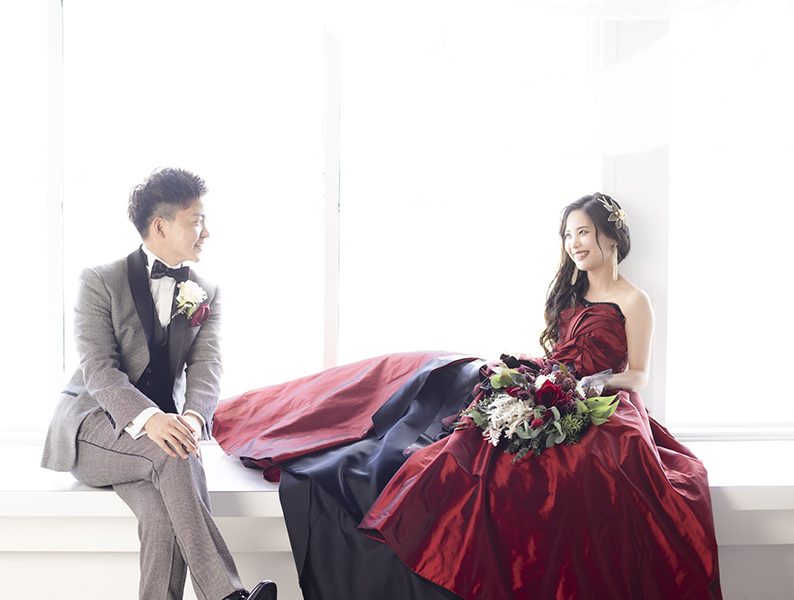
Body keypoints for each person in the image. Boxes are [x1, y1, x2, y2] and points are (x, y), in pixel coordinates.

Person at [214, 193, 722, 599]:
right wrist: (542, 384)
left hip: (598, 400)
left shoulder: (634, 299)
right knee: (433, 370)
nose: (574, 243)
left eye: (583, 232)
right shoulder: (571, 293)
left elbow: (638, 375)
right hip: (548, 383)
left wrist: (594, 385)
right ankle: (286, 415)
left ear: (611, 235)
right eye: (568, 234)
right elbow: (558, 354)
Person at [41, 168, 276, 600]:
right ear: (161, 226)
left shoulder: (206, 291)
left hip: (159, 439)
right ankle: (227, 595)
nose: (207, 232)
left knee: (162, 515)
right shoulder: (99, 280)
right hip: (92, 426)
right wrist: (150, 418)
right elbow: (99, 368)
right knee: (176, 452)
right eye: (197, 221)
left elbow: (208, 366)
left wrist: (193, 418)